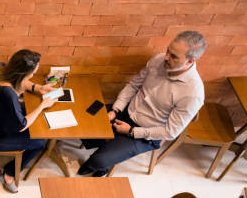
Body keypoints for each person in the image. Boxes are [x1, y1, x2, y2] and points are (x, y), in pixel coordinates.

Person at [77, 30, 207, 177]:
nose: (166, 57)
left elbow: (170, 132)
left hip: (145, 132)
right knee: (83, 120)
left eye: (174, 56)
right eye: (168, 51)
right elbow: (133, 85)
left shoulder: (193, 94)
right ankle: (107, 147)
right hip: (126, 111)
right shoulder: (158, 60)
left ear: (190, 61)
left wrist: (132, 131)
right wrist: (116, 109)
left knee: (99, 161)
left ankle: (100, 162)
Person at [0, 49, 58, 193]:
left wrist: (38, 88)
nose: (33, 75)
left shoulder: (0, 68)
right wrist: (42, 106)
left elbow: (21, 81)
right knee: (40, 142)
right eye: (32, 73)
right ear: (22, 73)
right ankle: (9, 172)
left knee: (32, 120)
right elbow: (21, 126)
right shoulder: (8, 95)